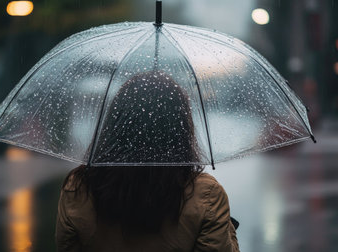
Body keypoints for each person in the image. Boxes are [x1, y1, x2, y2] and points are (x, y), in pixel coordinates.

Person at [56, 71, 239, 251]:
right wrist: (227, 227)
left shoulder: (78, 187)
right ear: (181, 130)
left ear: (115, 125)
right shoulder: (206, 195)